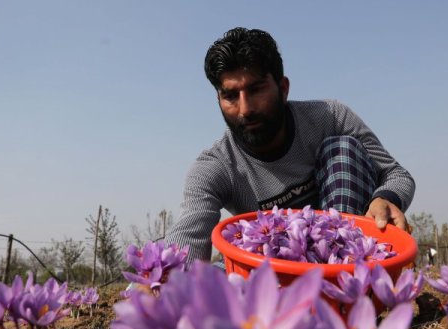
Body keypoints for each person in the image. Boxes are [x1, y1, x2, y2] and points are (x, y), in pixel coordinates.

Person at [166, 27, 415, 264]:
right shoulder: (216, 167)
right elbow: (189, 234)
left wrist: (385, 198)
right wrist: (164, 280)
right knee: (220, 274)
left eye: (256, 89)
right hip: (275, 270)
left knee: (342, 150)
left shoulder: (330, 118)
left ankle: (336, 277)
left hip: (346, 261)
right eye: (231, 96)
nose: (245, 110)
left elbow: (396, 174)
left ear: (283, 88)